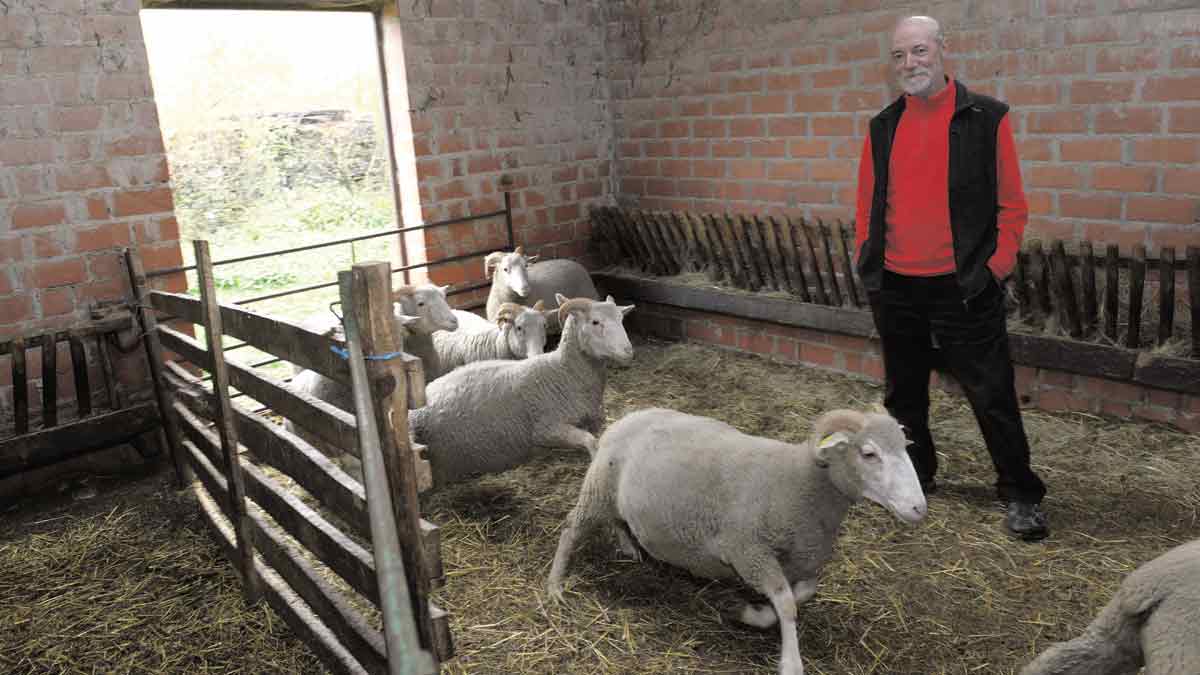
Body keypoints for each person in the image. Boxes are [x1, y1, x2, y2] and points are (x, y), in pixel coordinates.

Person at [853, 15, 1048, 540]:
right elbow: (867, 203)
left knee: (992, 394)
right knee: (904, 396)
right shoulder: (883, 126)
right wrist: (866, 257)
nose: (909, 64)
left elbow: (1013, 206)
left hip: (965, 286)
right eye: (898, 56)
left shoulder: (987, 118)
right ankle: (919, 477)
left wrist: (996, 267)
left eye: (918, 51)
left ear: (942, 50)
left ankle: (1021, 493)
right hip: (896, 285)